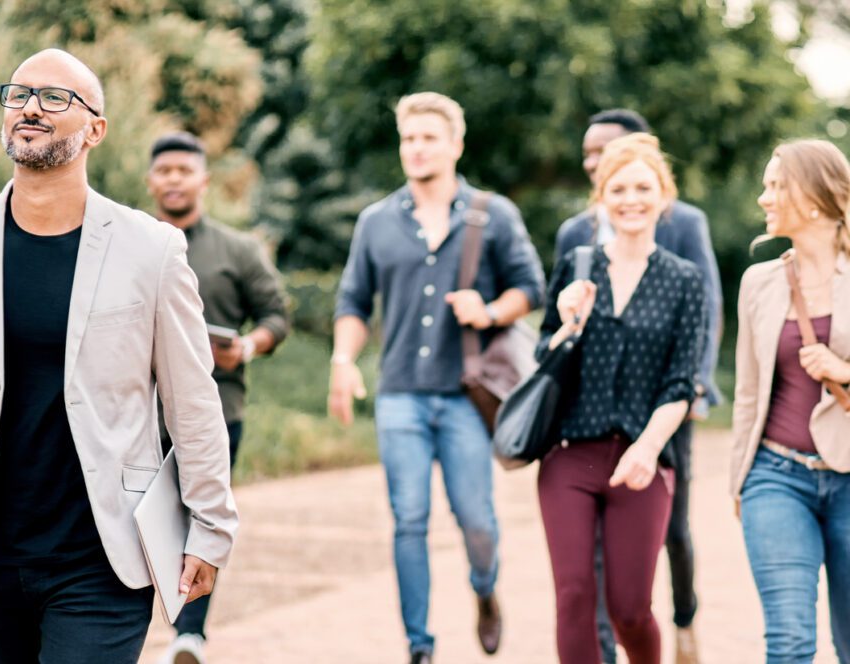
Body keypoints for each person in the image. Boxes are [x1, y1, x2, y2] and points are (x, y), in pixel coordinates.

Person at [0, 49, 238, 664]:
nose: (30, 107)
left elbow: (193, 400)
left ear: (94, 129)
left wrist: (210, 527)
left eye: (56, 98)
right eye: (18, 94)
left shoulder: (152, 249)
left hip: (107, 550)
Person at [329, 92, 545, 664]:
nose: (417, 148)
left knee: (476, 520)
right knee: (409, 521)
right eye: (409, 138)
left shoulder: (493, 215)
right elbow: (352, 301)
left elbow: (532, 286)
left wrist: (492, 310)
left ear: (456, 144)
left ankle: (484, 587)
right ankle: (419, 646)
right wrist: (343, 361)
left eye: (429, 137)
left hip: (465, 398)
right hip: (399, 394)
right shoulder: (376, 221)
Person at [556, 108, 722, 664]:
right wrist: (565, 321)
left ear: (662, 193)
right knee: (577, 592)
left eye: (641, 187)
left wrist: (657, 438)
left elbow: (693, 350)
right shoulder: (577, 257)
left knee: (635, 594)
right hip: (573, 446)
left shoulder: (682, 272)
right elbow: (544, 360)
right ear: (599, 195)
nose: (629, 198)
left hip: (653, 435)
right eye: (616, 187)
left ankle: (683, 620)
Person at [148, 131, 289, 664]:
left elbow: (278, 314)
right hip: (136, 411)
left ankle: (189, 636)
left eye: (186, 170)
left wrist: (248, 346)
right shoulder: (127, 239)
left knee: (198, 519)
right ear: (152, 180)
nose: (175, 179)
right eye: (166, 171)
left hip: (218, 409)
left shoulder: (238, 249)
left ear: (203, 180)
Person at [731, 139, 850, 663]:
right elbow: (748, 392)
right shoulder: (758, 282)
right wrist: (740, 477)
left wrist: (845, 371)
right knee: (789, 639)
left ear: (815, 198)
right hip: (776, 477)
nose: (764, 197)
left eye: (775, 184)